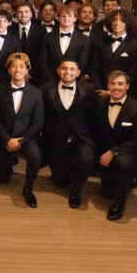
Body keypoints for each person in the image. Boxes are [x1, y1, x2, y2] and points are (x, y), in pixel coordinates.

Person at [0, 52, 44, 207]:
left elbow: (38, 123)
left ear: (27, 70)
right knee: (2, 179)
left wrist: (21, 140)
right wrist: (7, 139)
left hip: (25, 137)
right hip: (4, 136)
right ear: (8, 70)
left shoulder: (36, 92)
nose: (17, 70)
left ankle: (28, 189)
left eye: (22, 66)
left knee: (35, 157)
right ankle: (7, 162)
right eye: (13, 66)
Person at [41, 59, 97, 208]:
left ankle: (76, 190)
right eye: (64, 68)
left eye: (72, 69)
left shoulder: (89, 90)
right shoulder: (46, 89)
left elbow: (97, 113)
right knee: (59, 181)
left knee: (86, 159)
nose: (68, 72)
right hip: (57, 139)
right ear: (58, 71)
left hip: (81, 137)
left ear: (78, 73)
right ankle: (69, 169)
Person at [96, 70, 137, 221]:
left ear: (127, 86)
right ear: (107, 85)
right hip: (107, 148)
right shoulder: (101, 104)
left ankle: (120, 202)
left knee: (123, 163)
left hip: (130, 152)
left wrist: (113, 152)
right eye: (112, 84)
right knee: (106, 193)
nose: (116, 87)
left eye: (120, 84)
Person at [89, 9, 137, 98]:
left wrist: (114, 91)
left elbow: (135, 73)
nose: (117, 23)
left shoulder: (135, 45)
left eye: (122, 20)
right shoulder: (100, 42)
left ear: (128, 23)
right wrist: (99, 89)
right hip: (101, 92)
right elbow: (93, 68)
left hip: (124, 93)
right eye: (114, 20)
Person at [39, 5, 90, 84]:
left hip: (74, 83)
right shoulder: (48, 37)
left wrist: (70, 80)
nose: (66, 19)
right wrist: (51, 81)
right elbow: (43, 62)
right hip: (50, 83)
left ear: (75, 19)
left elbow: (83, 64)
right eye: (63, 16)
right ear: (58, 18)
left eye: (70, 16)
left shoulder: (84, 39)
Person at [12, 2, 45, 86]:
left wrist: (28, 72)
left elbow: (42, 55)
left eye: (26, 12)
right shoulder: (9, 30)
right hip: (13, 75)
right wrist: (18, 71)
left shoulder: (41, 30)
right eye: (20, 12)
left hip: (35, 76)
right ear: (16, 14)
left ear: (31, 14)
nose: (23, 15)